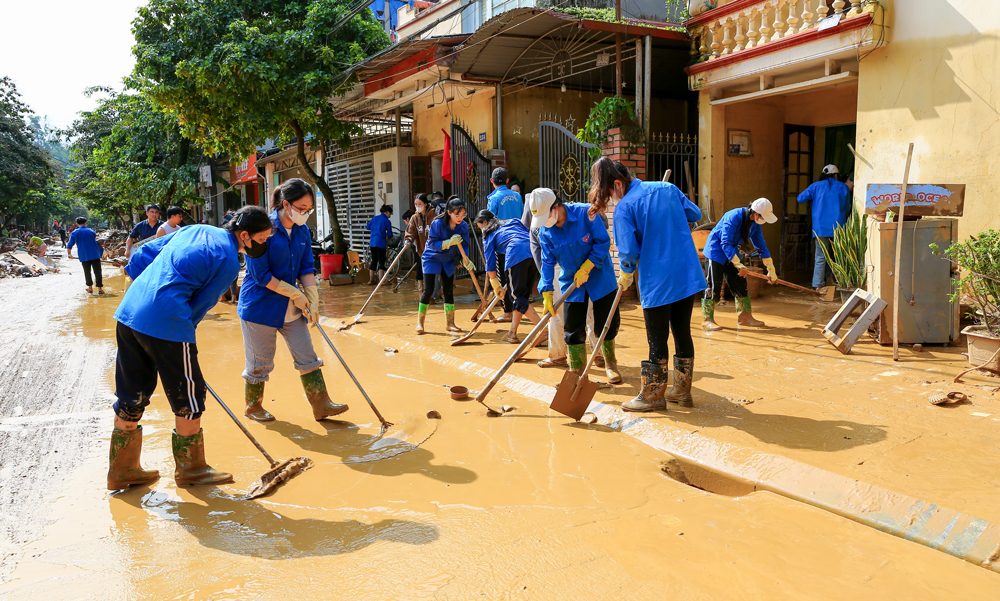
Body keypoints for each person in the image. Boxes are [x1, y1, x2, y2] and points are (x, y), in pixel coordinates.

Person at [107, 205, 272, 490]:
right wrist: (181, 338)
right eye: (262, 238)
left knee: (132, 390)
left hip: (129, 311)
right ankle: (192, 469)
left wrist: (137, 284)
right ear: (245, 235)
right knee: (190, 395)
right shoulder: (230, 260)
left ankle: (122, 470)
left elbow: (145, 254)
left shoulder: (195, 229)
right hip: (166, 319)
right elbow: (202, 304)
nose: (264, 244)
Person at [593, 158, 706, 411]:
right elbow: (695, 214)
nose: (612, 199)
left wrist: (625, 273)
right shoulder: (668, 189)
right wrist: (667, 214)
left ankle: (654, 395)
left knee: (657, 338)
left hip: (658, 280)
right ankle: (682, 392)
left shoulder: (625, 208)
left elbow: (629, 254)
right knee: (682, 331)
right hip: (686, 274)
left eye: (610, 193)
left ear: (618, 185)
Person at [237, 178, 348, 423]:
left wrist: (312, 296)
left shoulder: (302, 232)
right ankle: (253, 408)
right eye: (301, 208)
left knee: (307, 355)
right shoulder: (263, 228)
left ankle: (322, 405)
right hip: (260, 307)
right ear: (286, 204)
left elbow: (307, 266)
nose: (305, 214)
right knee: (259, 363)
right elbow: (260, 275)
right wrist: (296, 294)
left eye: (309, 210)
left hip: (292, 307)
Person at [533, 190, 622, 383]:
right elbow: (547, 262)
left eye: (544, 216)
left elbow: (603, 243)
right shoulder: (545, 231)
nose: (543, 222)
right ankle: (577, 372)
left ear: (555, 208)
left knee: (604, 324)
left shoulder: (586, 214)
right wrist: (546, 291)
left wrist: (588, 266)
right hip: (572, 283)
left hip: (600, 277)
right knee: (572, 329)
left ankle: (610, 364)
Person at [701, 198, 778, 331]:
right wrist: (738, 264)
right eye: (763, 216)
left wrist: (771, 269)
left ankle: (745, 317)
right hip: (716, 251)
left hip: (732, 252)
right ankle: (707, 319)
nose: (764, 220)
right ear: (755, 213)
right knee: (713, 286)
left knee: (740, 283)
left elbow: (761, 246)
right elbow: (725, 242)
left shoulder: (755, 224)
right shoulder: (734, 216)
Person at [474, 209, 542, 344]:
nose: (481, 230)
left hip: (516, 254)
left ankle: (544, 330)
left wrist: (495, 284)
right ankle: (512, 333)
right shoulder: (513, 221)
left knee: (517, 298)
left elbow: (490, 262)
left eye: (480, 226)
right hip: (533, 254)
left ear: (485, 222)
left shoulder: (489, 235)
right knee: (520, 297)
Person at [416, 198, 472, 335]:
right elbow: (432, 243)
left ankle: (450, 323)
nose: (460, 218)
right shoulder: (437, 223)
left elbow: (464, 245)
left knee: (448, 289)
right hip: (432, 257)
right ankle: (420, 323)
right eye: (456, 215)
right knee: (429, 289)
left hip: (448, 259)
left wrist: (466, 259)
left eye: (463, 214)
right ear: (449, 213)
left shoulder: (463, 226)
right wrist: (447, 242)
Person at [798, 164, 852, 289]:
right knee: (839, 257)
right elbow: (848, 207)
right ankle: (841, 284)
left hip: (820, 228)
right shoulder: (843, 187)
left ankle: (818, 286)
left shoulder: (816, 186)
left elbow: (800, 198)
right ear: (836, 175)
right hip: (839, 227)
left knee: (820, 257)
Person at [487, 168, 524, 320]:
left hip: (502, 244)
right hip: (519, 241)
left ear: (492, 181)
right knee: (514, 278)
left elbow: (490, 223)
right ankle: (519, 310)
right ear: (507, 180)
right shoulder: (517, 196)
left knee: (503, 278)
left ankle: (508, 312)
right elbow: (522, 217)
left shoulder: (493, 198)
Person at [66, 217, 106, 295]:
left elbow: (70, 244)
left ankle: (90, 288)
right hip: (95, 254)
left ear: (77, 224)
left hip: (84, 255)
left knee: (87, 272)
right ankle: (100, 289)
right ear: (85, 223)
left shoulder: (75, 232)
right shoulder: (92, 231)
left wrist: (69, 254)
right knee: (98, 272)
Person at [404, 194, 431, 292]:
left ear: (425, 204)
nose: (418, 206)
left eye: (420, 203)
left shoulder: (434, 216)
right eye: (416, 204)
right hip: (420, 249)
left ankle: (435, 291)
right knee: (420, 268)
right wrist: (408, 240)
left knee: (434, 271)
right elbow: (410, 231)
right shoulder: (414, 218)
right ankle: (421, 288)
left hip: (433, 249)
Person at [366, 204, 393, 285]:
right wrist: (388, 237)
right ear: (387, 212)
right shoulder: (387, 221)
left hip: (372, 243)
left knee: (374, 260)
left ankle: (371, 280)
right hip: (381, 243)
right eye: (390, 213)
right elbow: (390, 234)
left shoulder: (374, 218)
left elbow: (368, 227)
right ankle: (382, 281)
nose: (390, 215)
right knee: (381, 261)